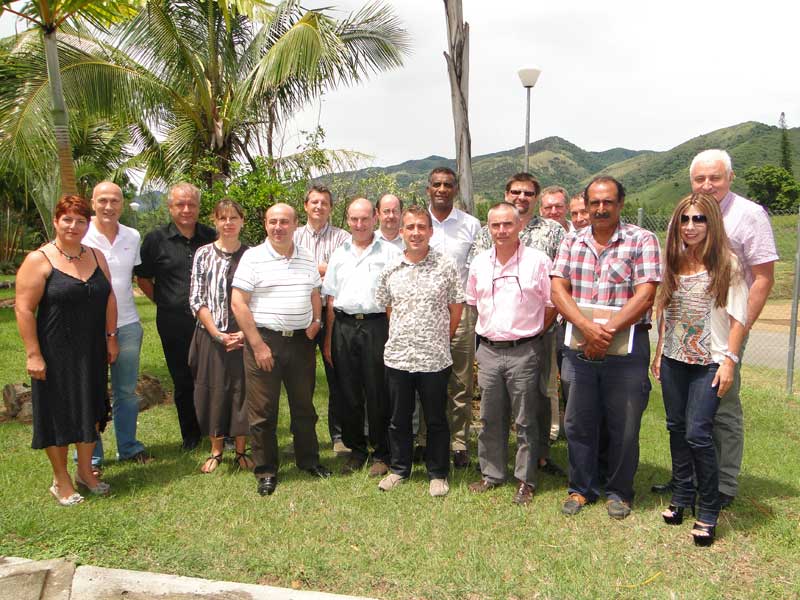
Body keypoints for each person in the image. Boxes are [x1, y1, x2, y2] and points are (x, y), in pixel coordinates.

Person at [652, 149, 778, 508]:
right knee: (682, 415)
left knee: (721, 408)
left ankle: (722, 484)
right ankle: (687, 480)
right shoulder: (684, 215)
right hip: (684, 334)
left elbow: (763, 278)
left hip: (726, 328)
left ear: (730, 178)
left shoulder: (749, 215)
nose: (707, 184)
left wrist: (739, 331)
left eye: (715, 177)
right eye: (700, 178)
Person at [551, 176, 661, 520]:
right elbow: (558, 289)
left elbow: (646, 294)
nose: (601, 208)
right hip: (578, 347)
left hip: (626, 350)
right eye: (595, 202)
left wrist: (607, 332)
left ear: (620, 204)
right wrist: (587, 329)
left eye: (608, 202)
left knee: (623, 424)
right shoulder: (571, 241)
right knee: (578, 422)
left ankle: (619, 491)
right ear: (586, 205)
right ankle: (581, 488)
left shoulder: (642, 240)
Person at [651, 193, 747, 546]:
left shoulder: (727, 264)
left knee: (698, 433)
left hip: (709, 362)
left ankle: (708, 509)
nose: (690, 226)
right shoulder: (674, 260)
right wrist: (659, 353)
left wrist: (729, 362)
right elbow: (667, 311)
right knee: (676, 428)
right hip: (674, 359)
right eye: (685, 219)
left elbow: (738, 319)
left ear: (712, 223)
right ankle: (681, 495)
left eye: (698, 219)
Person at [16, 195, 118, 505]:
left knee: (91, 409)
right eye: (67, 219)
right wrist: (33, 354)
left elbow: (109, 297)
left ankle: (85, 472)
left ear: (88, 224)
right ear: (56, 221)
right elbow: (23, 308)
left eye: (81, 221)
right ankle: (61, 480)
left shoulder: (96, 256)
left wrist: (111, 337)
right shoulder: (39, 260)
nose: (74, 226)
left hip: (92, 349)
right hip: (55, 352)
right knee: (57, 414)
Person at [468, 173, 565, 476]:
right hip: (491, 346)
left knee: (531, 410)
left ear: (519, 226)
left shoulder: (546, 246)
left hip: (531, 342)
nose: (501, 230)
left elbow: (553, 300)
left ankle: (530, 471)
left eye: (507, 225)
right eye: (495, 225)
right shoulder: (481, 256)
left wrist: (534, 331)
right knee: (491, 414)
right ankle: (492, 472)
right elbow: (474, 300)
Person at [231, 203, 331, 496]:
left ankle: (309, 461)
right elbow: (238, 303)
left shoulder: (306, 256)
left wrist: (316, 321)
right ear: (265, 224)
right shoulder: (253, 257)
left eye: (284, 221)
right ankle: (266, 470)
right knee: (263, 412)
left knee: (304, 407)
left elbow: (314, 292)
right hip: (265, 342)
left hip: (300, 343)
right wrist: (257, 345)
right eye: (273, 221)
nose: (278, 227)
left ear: (295, 224)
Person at [375, 205, 464, 497]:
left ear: (431, 231)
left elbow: (456, 307)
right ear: (402, 232)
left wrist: (441, 338)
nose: (416, 233)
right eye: (410, 227)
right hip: (399, 357)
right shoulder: (390, 268)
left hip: (434, 358)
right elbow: (389, 309)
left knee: (436, 418)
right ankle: (399, 469)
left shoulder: (446, 266)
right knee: (399, 418)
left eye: (421, 227)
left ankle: (437, 473)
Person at [322, 198, 401, 477]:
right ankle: (356, 450)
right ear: (347, 220)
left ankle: (381, 452)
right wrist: (329, 339)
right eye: (354, 219)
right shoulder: (339, 253)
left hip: (376, 326)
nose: (359, 224)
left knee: (378, 391)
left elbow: (396, 297)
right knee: (349, 392)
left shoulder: (390, 252)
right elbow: (331, 299)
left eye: (365, 218)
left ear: (375, 218)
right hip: (343, 326)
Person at [135, 183, 216, 451]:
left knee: (212, 376)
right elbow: (143, 278)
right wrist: (164, 301)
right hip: (173, 322)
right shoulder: (155, 239)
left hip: (210, 321)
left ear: (199, 207)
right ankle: (190, 434)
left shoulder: (211, 236)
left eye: (191, 204)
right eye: (180, 204)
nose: (186, 209)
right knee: (182, 379)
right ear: (170, 207)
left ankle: (215, 429)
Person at [83, 182, 151, 469]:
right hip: (89, 328)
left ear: (122, 204)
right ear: (93, 203)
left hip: (128, 324)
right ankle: (92, 457)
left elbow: (133, 276)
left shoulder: (132, 236)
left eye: (115, 201)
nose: (108, 206)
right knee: (90, 392)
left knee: (126, 391)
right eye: (103, 200)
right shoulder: (80, 232)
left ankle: (129, 447)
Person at [420, 167, 480, 469]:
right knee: (423, 377)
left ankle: (458, 443)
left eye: (447, 184)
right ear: (428, 189)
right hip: (423, 312)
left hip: (461, 310)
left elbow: (478, 268)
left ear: (455, 189)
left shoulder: (471, 225)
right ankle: (424, 440)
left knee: (460, 381)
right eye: (437, 184)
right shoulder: (417, 223)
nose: (442, 189)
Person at [188, 199, 253, 473]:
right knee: (213, 391)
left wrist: (243, 333)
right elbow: (197, 298)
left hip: (244, 335)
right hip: (210, 335)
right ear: (214, 221)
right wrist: (217, 333)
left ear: (242, 221)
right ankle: (216, 451)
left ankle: (241, 451)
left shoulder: (252, 255)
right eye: (222, 218)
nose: (228, 223)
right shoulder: (203, 254)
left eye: (233, 218)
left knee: (242, 392)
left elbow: (259, 299)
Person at [294, 186, 350, 454]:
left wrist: (306, 268)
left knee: (337, 376)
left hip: (332, 313)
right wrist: (324, 268)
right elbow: (286, 270)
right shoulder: (292, 236)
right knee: (300, 380)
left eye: (324, 203)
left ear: (331, 208)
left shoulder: (343, 237)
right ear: (305, 205)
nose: (319, 207)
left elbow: (343, 272)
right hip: (300, 315)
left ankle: (339, 436)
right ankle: (302, 436)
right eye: (314, 202)